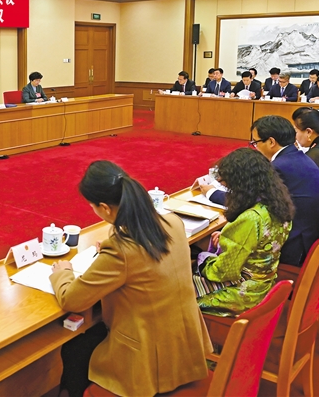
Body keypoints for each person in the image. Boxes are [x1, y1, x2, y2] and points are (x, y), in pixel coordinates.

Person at [49, 161, 211, 397]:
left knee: (75, 349)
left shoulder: (121, 248)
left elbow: (72, 299)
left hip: (148, 360)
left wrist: (62, 272)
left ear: (105, 208)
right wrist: (111, 248)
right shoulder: (172, 222)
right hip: (184, 349)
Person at [201, 116, 319, 266]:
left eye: (255, 142)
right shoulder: (297, 157)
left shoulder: (279, 167)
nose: (255, 147)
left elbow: (249, 201)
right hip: (308, 233)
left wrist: (211, 192)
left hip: (294, 246)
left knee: (215, 244)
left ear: (271, 142)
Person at [197, 148, 294, 316]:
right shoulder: (278, 205)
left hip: (243, 294)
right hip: (264, 285)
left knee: (178, 294)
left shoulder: (250, 218)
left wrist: (202, 261)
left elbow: (223, 272)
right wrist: (230, 239)